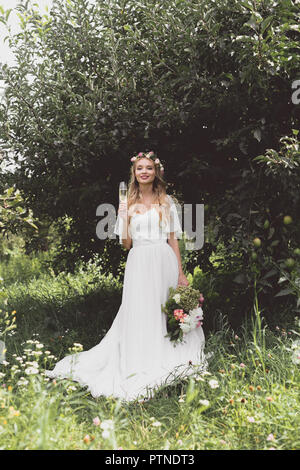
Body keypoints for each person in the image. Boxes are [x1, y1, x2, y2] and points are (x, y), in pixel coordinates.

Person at [45, 151, 206, 402]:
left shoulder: (166, 201)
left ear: (155, 173)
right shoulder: (127, 203)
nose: (144, 172)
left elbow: (173, 239)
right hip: (140, 262)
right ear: (134, 173)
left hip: (163, 260)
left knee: (163, 309)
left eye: (149, 168)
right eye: (140, 168)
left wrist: (180, 273)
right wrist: (124, 217)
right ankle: (140, 356)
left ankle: (166, 352)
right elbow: (126, 244)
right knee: (140, 309)